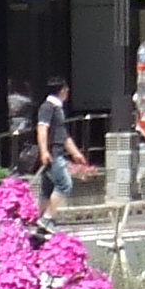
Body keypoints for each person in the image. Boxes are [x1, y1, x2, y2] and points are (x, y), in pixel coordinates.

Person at [36, 76, 92, 219]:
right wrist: (44, 151)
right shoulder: (48, 107)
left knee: (47, 190)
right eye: (66, 89)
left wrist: (76, 153)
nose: (68, 91)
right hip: (53, 153)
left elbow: (64, 135)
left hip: (55, 152)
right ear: (62, 91)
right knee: (64, 185)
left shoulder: (57, 108)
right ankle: (47, 219)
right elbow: (42, 128)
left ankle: (40, 220)